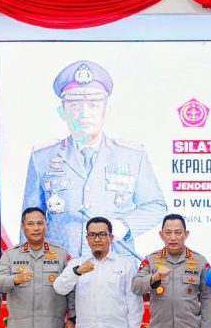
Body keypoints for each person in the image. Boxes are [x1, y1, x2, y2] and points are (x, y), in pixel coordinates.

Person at [21, 59, 167, 260]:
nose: (84, 114)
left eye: (93, 105)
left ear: (106, 110)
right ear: (62, 112)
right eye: (75, 106)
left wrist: (124, 225)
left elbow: (156, 206)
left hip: (116, 262)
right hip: (60, 264)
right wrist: (25, 265)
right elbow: (29, 219)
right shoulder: (43, 157)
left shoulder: (132, 156)